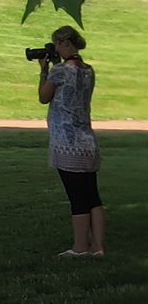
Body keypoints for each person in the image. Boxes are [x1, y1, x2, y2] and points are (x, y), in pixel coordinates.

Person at [40, 25, 105, 257]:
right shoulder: (89, 70)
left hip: (67, 144)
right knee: (92, 196)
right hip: (87, 141)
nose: (56, 48)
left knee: (77, 197)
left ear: (65, 42)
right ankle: (97, 247)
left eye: (57, 44)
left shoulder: (59, 71)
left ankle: (79, 248)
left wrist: (43, 71)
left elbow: (43, 97)